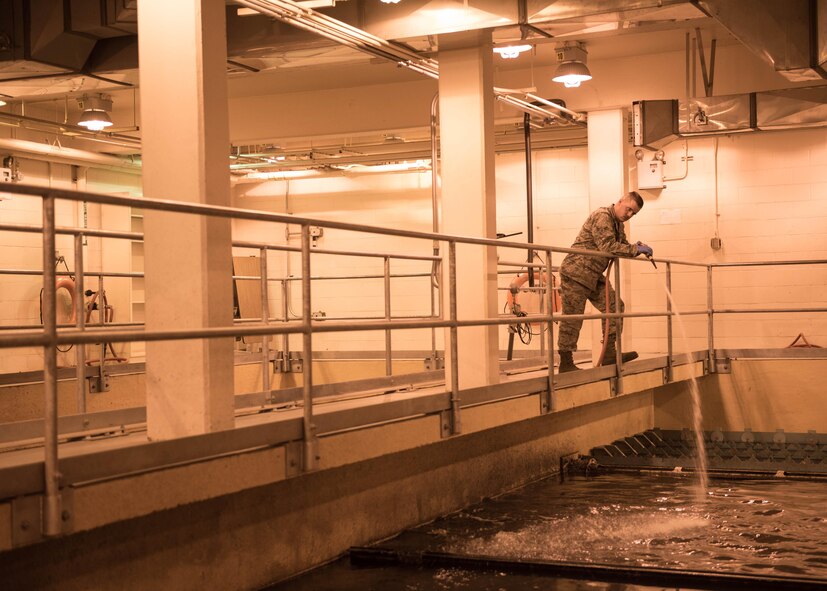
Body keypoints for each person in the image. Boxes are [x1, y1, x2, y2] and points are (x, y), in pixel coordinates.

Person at [557, 191, 653, 373]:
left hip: (593, 275)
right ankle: (566, 362)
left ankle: (609, 353)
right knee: (573, 317)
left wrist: (636, 246)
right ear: (620, 202)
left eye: (634, 213)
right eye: (629, 209)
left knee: (615, 306)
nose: (629, 215)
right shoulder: (602, 216)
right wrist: (635, 249)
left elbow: (622, 245)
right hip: (576, 271)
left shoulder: (618, 224)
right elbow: (608, 246)